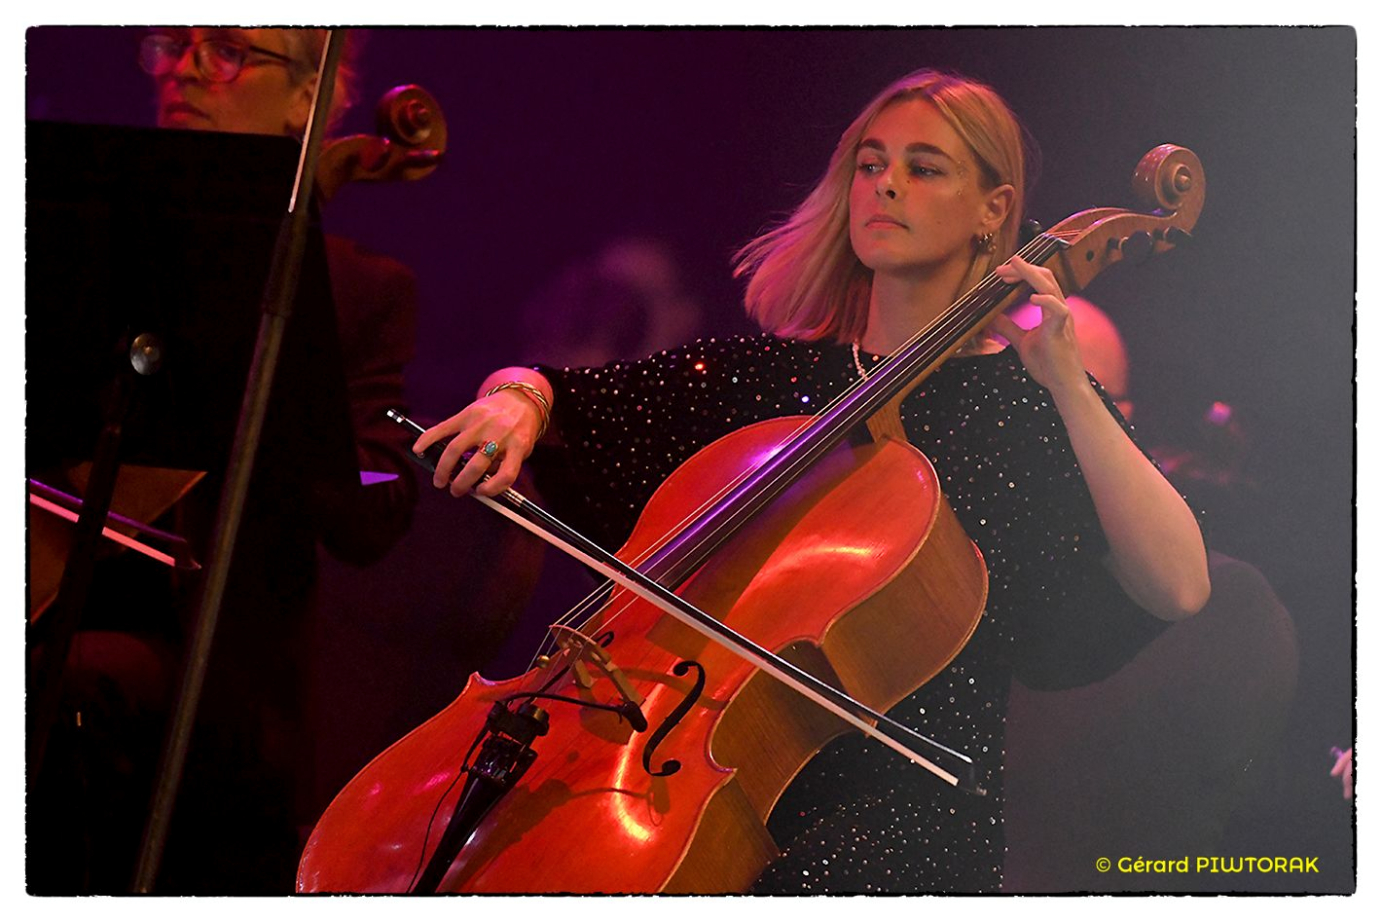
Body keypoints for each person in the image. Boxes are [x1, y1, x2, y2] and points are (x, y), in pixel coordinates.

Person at [415, 67, 1209, 893]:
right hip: (690, 775)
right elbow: (562, 397)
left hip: (902, 821)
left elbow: (1182, 584)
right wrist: (517, 401)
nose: (886, 185)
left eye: (924, 168)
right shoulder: (762, 380)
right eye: (871, 164)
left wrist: (1068, 381)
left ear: (993, 209)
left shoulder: (1029, 404)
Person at [27, 27, 417, 895]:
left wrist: (279, 374)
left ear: (307, 100)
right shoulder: (72, 242)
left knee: (64, 681)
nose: (190, 70)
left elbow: (369, 513)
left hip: (211, 665)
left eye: (232, 50)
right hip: (47, 602)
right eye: (176, 44)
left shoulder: (358, 288)